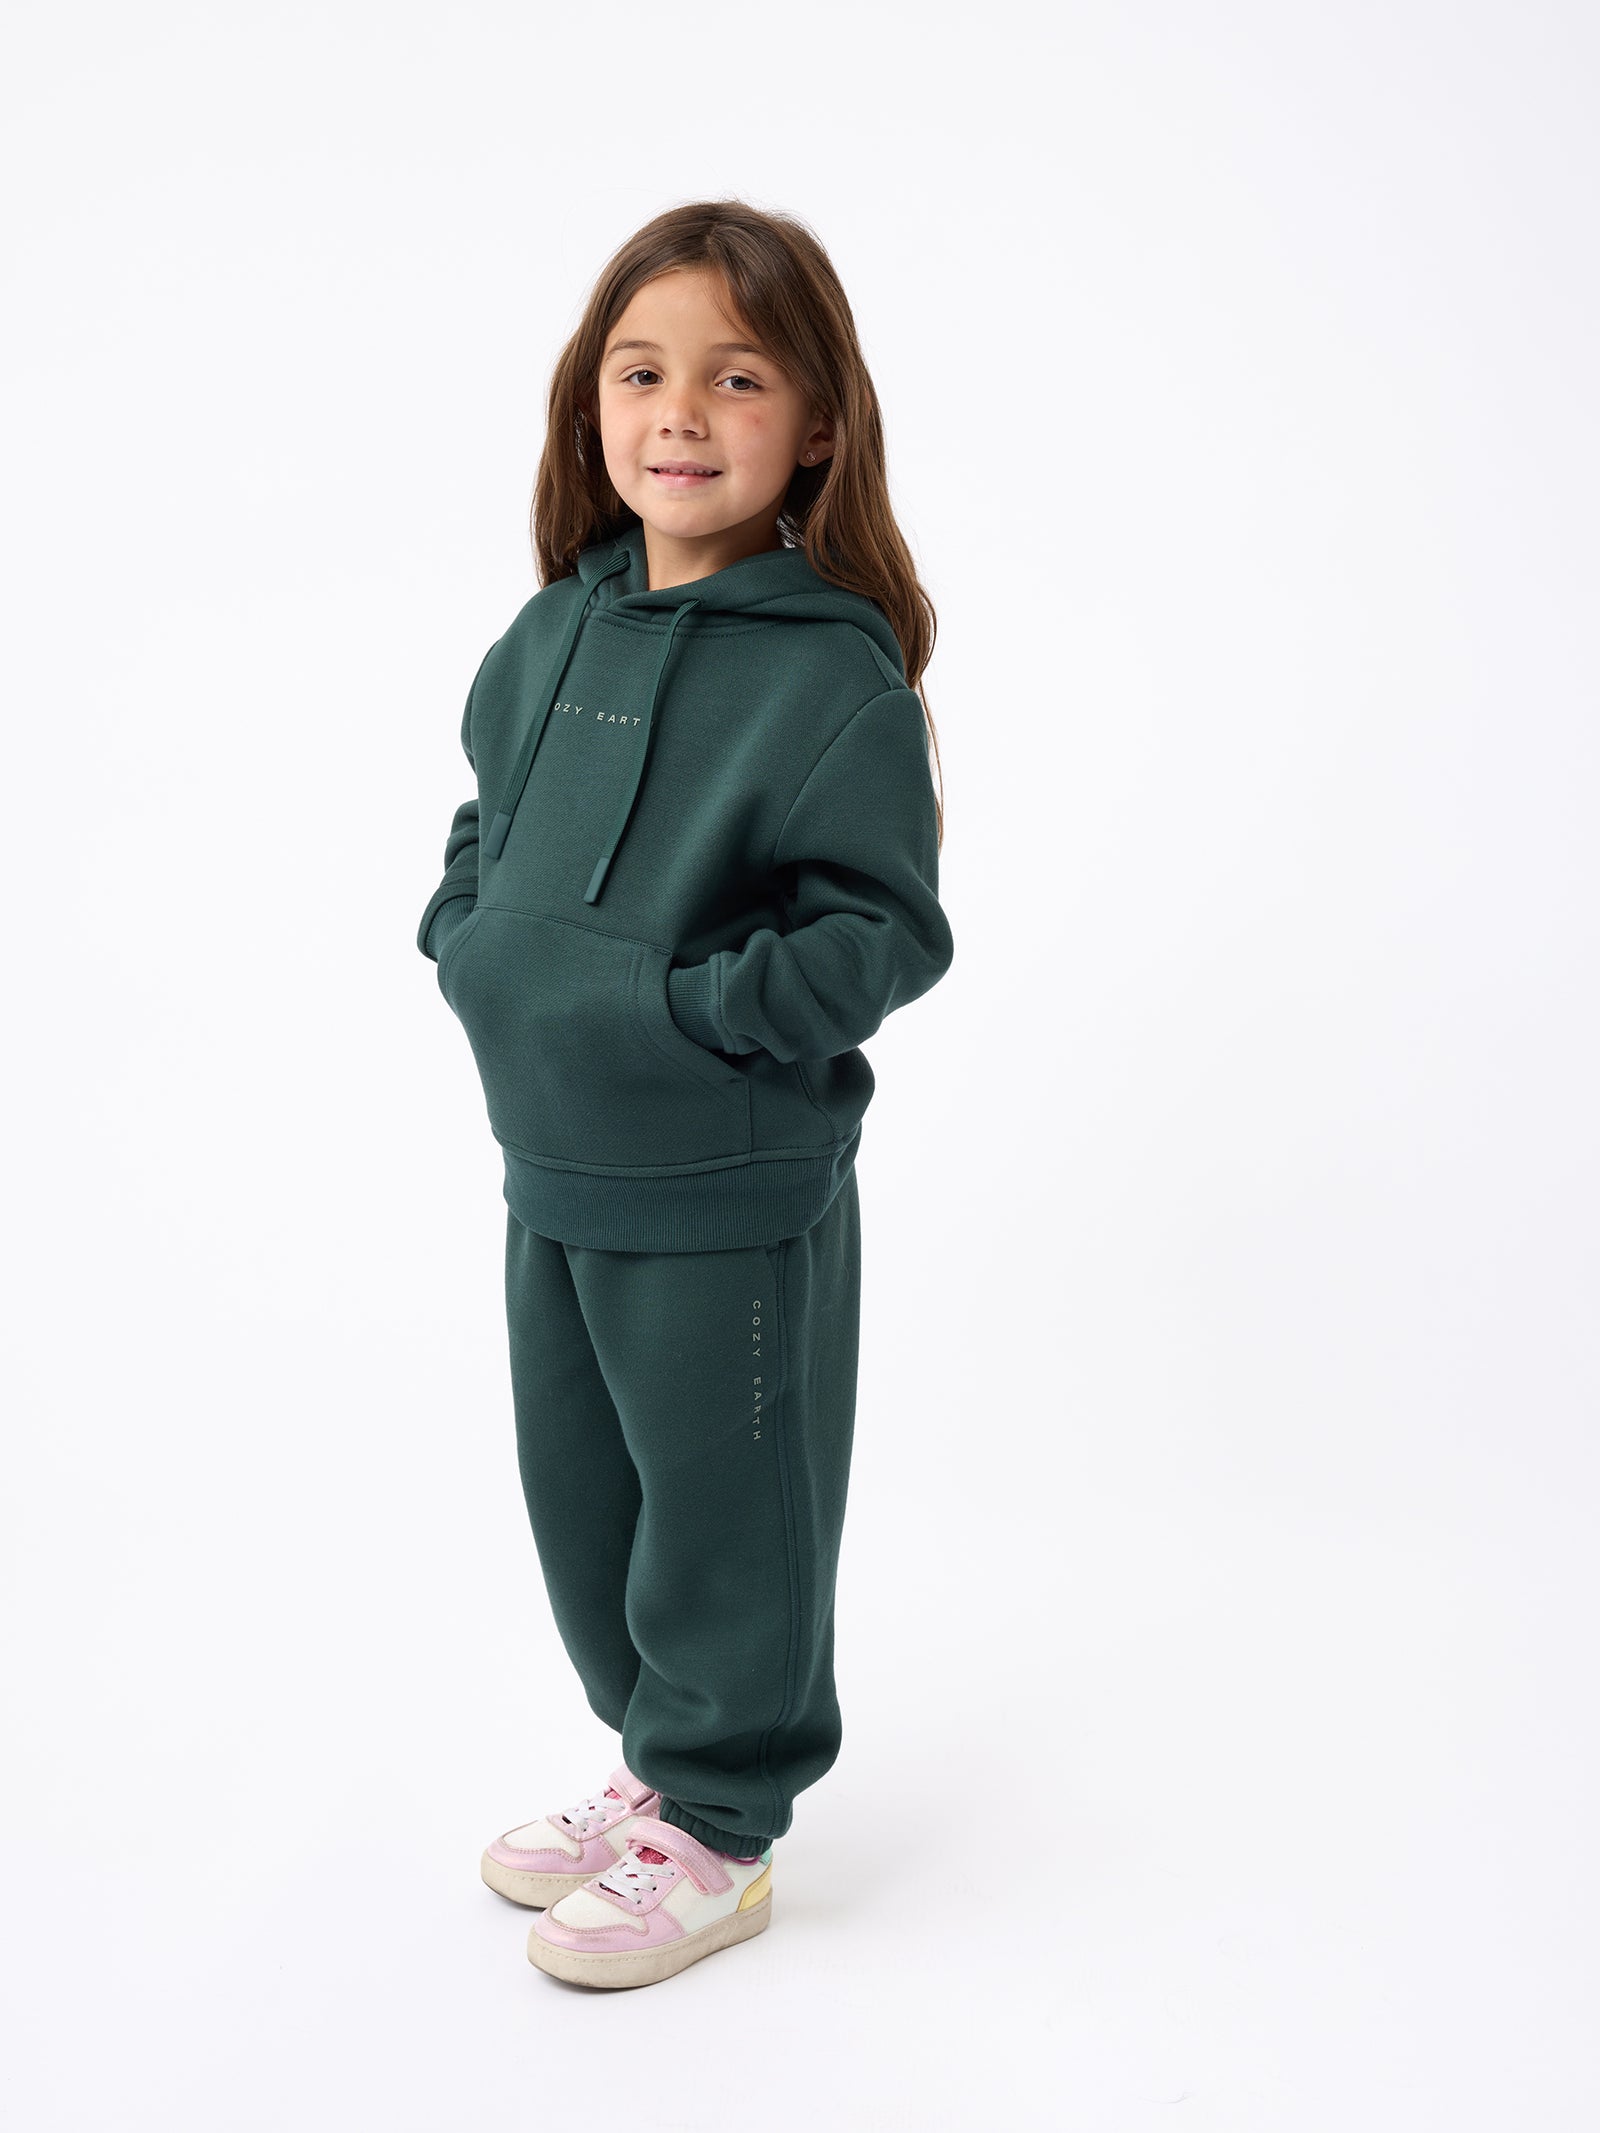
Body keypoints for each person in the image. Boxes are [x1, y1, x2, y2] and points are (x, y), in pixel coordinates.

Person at [415, 199, 955, 1990]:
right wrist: (472, 932)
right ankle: (658, 1762)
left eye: (738, 376)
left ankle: (722, 1828)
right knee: (588, 1506)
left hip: (723, 1180)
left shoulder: (826, 676)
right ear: (590, 407)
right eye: (642, 372)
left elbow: (882, 932)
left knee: (731, 1509)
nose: (681, 412)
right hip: (550, 1161)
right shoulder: (553, 627)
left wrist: (681, 1008)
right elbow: (484, 811)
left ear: (816, 423)